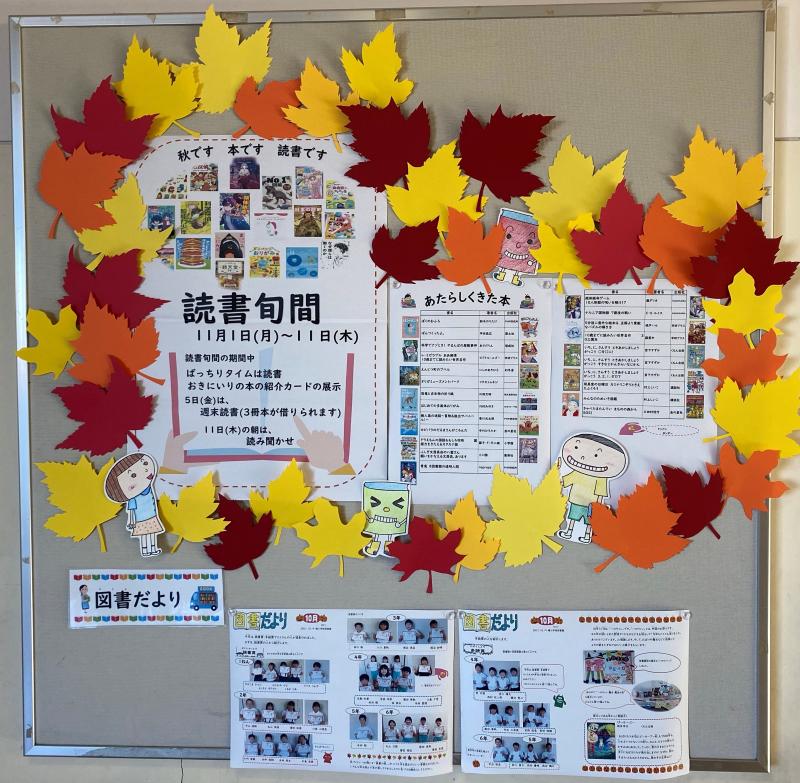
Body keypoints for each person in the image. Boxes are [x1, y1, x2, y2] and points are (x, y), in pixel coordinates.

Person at [557, 434, 628, 544]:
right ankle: (569, 532)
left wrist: (599, 507)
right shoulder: (577, 473)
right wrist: (557, 471)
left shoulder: (601, 478)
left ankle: (586, 536)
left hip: (591, 504)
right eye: (576, 447)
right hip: (575, 501)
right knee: (572, 518)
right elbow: (564, 482)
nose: (583, 458)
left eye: (596, 455)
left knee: (589, 522)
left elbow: (600, 493)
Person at [104, 452, 164, 557]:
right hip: (141, 520)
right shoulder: (133, 498)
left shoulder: (149, 488)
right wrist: (132, 522)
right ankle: (145, 550)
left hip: (152, 516)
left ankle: (152, 548)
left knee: (152, 534)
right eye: (133, 475)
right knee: (145, 535)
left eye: (145, 463)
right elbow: (131, 510)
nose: (145, 471)